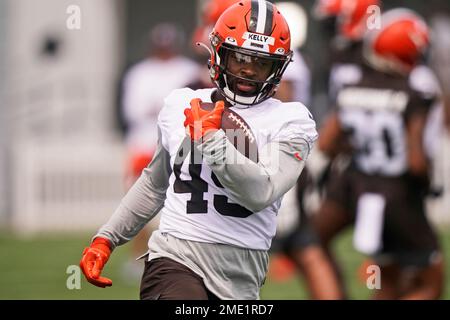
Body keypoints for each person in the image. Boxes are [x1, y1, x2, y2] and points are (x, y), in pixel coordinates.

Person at [79, 0, 317, 300]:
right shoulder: (181, 103)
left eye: (261, 63)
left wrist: (212, 139)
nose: (248, 70)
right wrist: (107, 238)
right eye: (239, 58)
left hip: (242, 275)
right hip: (176, 258)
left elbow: (261, 192)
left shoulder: (291, 120)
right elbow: (154, 184)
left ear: (278, 67)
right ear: (218, 54)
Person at [313, 9, 444, 299]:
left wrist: (356, 146)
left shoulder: (351, 87)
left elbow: (326, 144)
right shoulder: (413, 92)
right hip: (399, 194)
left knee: (386, 278)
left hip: (358, 187)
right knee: (430, 282)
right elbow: (416, 161)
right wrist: (429, 183)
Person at [118, 23, 200, 281]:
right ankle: (138, 256)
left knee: (182, 202)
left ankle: (179, 257)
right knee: (139, 200)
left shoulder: (188, 69)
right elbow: (132, 110)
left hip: (179, 143)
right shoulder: (138, 73)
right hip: (144, 143)